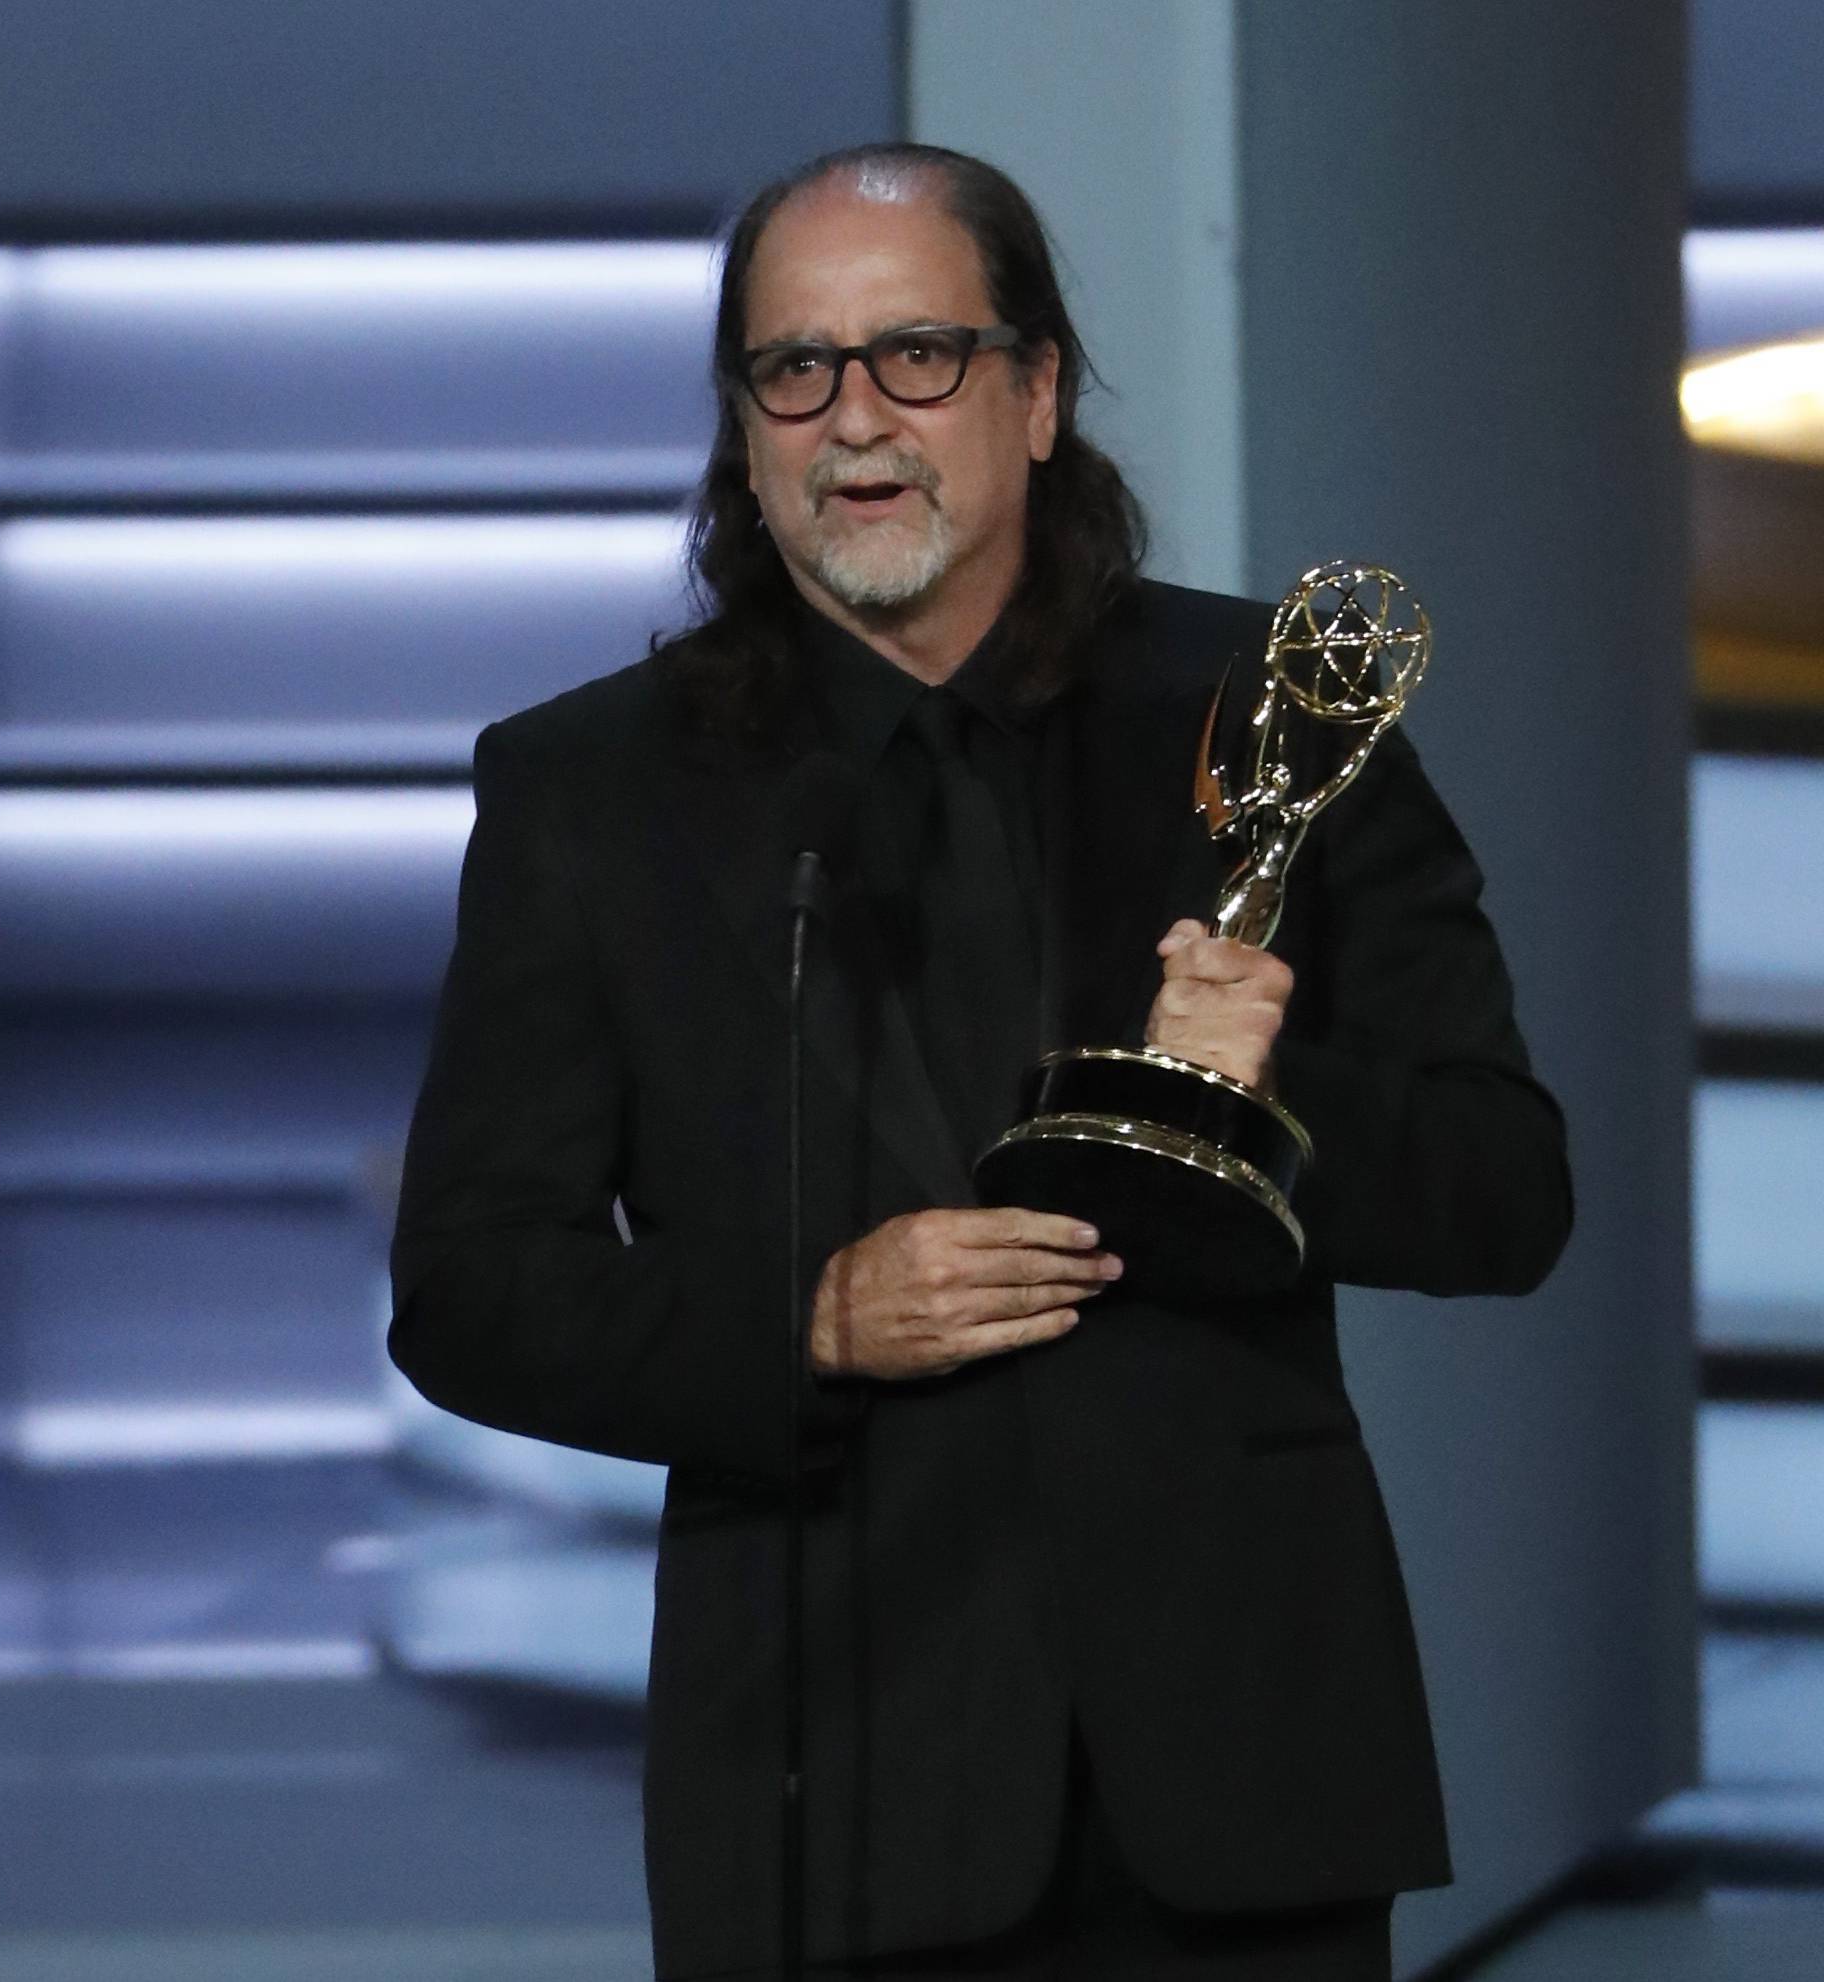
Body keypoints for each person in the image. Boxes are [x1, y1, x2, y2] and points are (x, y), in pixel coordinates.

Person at [387, 143, 1572, 1981]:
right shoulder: (590, 795)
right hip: (831, 1787)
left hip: (1242, 1784)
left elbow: (1510, 1192)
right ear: (745, 423)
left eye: (917, 355)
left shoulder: (1276, 710)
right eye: (797, 368)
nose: (855, 417)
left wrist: (1272, 1106)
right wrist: (812, 1315)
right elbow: (468, 1290)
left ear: (1033, 395)